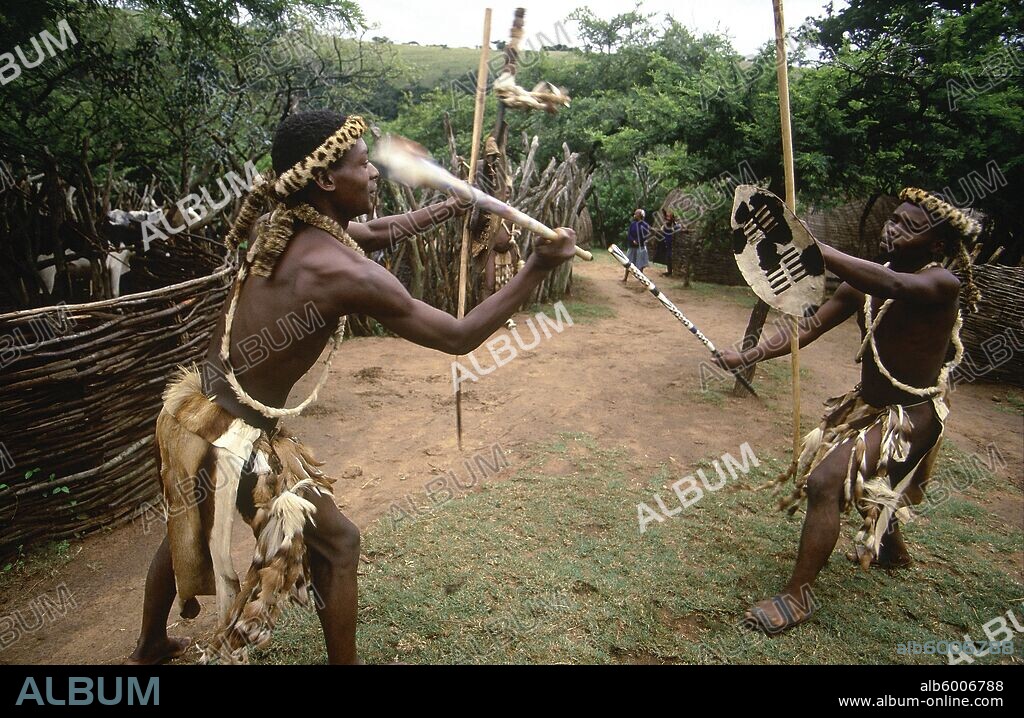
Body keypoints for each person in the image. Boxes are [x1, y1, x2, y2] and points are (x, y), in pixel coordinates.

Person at [128, 110, 577, 665]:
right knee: (339, 544)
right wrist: (535, 269)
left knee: (187, 515)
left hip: (192, 408)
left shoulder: (289, 227)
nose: (374, 174)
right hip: (232, 438)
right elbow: (458, 337)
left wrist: (450, 206)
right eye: (362, 165)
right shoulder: (342, 271)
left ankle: (149, 644)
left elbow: (377, 232)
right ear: (323, 180)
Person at [716, 187, 980, 633]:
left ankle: (797, 596)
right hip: (869, 406)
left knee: (828, 481)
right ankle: (893, 551)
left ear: (936, 245)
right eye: (892, 219)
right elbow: (811, 325)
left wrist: (810, 245)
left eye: (908, 227)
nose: (892, 229)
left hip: (912, 416)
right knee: (873, 484)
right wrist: (749, 355)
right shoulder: (868, 283)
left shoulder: (941, 284)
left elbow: (894, 285)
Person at [624, 209, 650, 283]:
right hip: (632, 246)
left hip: (640, 247)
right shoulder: (633, 224)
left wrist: (638, 241)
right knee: (628, 262)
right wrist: (633, 240)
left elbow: (645, 236)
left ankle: (640, 279)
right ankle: (625, 278)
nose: (635, 215)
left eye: (636, 213)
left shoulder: (645, 225)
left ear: (640, 215)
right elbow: (629, 234)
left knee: (640, 263)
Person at [658, 210, 681, 277]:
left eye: (669, 217)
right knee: (668, 257)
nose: (667, 219)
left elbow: (677, 228)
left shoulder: (675, 226)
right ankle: (669, 271)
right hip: (667, 244)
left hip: (673, 245)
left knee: (670, 257)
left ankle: (671, 271)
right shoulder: (666, 225)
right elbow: (662, 229)